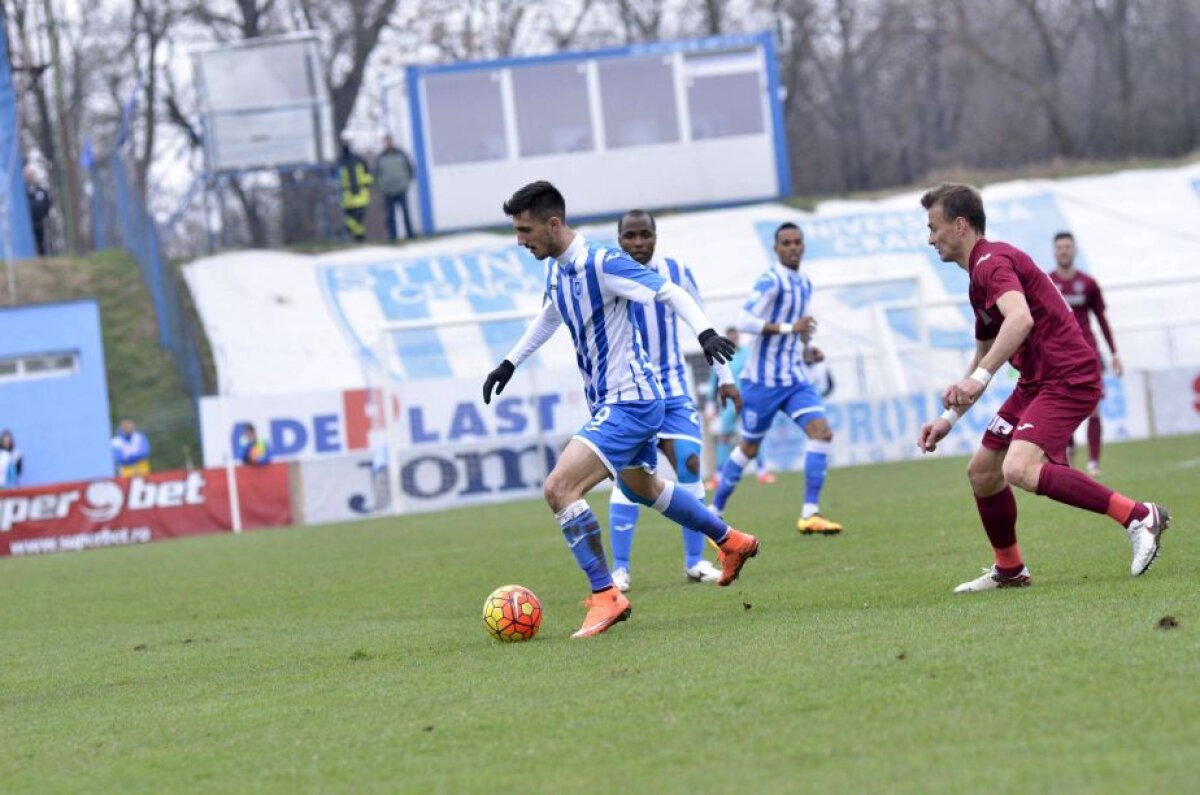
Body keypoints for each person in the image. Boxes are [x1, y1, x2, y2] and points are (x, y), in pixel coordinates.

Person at [481, 181, 760, 639]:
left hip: (629, 400)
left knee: (559, 488)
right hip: (616, 401)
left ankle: (606, 594)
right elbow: (551, 315)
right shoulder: (557, 270)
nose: (520, 240)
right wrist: (510, 362)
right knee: (644, 486)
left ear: (553, 224)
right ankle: (731, 542)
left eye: (525, 229)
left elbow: (672, 293)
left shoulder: (603, 262)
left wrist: (706, 334)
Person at [915, 184, 1168, 592]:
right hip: (1037, 382)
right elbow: (984, 353)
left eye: (933, 227)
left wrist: (976, 379)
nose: (930, 238)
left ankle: (1139, 515)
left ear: (960, 225)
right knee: (982, 472)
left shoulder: (991, 263)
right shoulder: (978, 277)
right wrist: (950, 417)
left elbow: (1020, 320)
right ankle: (1010, 570)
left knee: (1018, 469)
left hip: (1067, 376)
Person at [605, 209, 741, 592]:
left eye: (644, 235)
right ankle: (620, 569)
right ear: (619, 240)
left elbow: (701, 321)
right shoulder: (610, 275)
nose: (637, 243)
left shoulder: (677, 272)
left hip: (673, 385)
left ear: (655, 236)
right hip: (629, 390)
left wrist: (725, 378)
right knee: (631, 475)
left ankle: (695, 562)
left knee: (690, 462)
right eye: (629, 236)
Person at [709, 222, 844, 535]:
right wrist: (788, 329)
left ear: (804, 246)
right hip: (762, 382)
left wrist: (808, 350)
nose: (793, 247)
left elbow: (800, 330)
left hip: (794, 377)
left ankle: (810, 513)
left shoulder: (805, 283)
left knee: (821, 432)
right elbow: (744, 320)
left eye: (797, 242)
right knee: (748, 449)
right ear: (776, 248)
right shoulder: (771, 279)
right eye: (786, 243)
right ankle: (714, 513)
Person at [1048, 231, 1122, 477]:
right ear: (1054, 251)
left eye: (1068, 246)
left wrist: (1114, 353)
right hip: (1059, 357)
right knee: (1064, 405)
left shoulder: (1088, 284)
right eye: (1060, 247)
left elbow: (1101, 319)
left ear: (1074, 250)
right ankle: (1068, 449)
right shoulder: (1047, 283)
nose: (1064, 251)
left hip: (1088, 355)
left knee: (1093, 408)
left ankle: (1093, 463)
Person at [705, 328, 775, 488]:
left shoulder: (748, 354)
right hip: (729, 402)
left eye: (735, 337)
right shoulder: (720, 355)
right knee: (724, 437)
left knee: (755, 435)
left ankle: (762, 472)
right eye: (730, 337)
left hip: (749, 400)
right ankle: (718, 475)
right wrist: (710, 403)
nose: (733, 340)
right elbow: (713, 381)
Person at [375, 135, 416, 241]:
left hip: (401, 188)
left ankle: (410, 234)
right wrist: (382, 186)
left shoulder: (401, 154)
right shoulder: (381, 157)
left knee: (406, 213)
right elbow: (377, 174)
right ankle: (392, 237)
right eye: (386, 142)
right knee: (390, 216)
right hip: (388, 191)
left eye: (390, 141)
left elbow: (410, 169)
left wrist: (407, 183)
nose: (389, 143)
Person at [338, 138, 373, 242]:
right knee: (355, 221)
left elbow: (367, 175)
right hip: (351, 197)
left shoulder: (348, 160)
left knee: (355, 220)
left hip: (357, 196)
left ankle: (355, 236)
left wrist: (366, 185)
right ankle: (360, 238)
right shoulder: (342, 161)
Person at [24, 165, 52, 256]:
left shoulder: (40, 190)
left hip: (39, 220)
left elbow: (47, 202)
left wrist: (44, 214)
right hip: (27, 221)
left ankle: (42, 257)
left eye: (32, 175)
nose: (30, 177)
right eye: (28, 175)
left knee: (41, 240)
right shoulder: (22, 192)